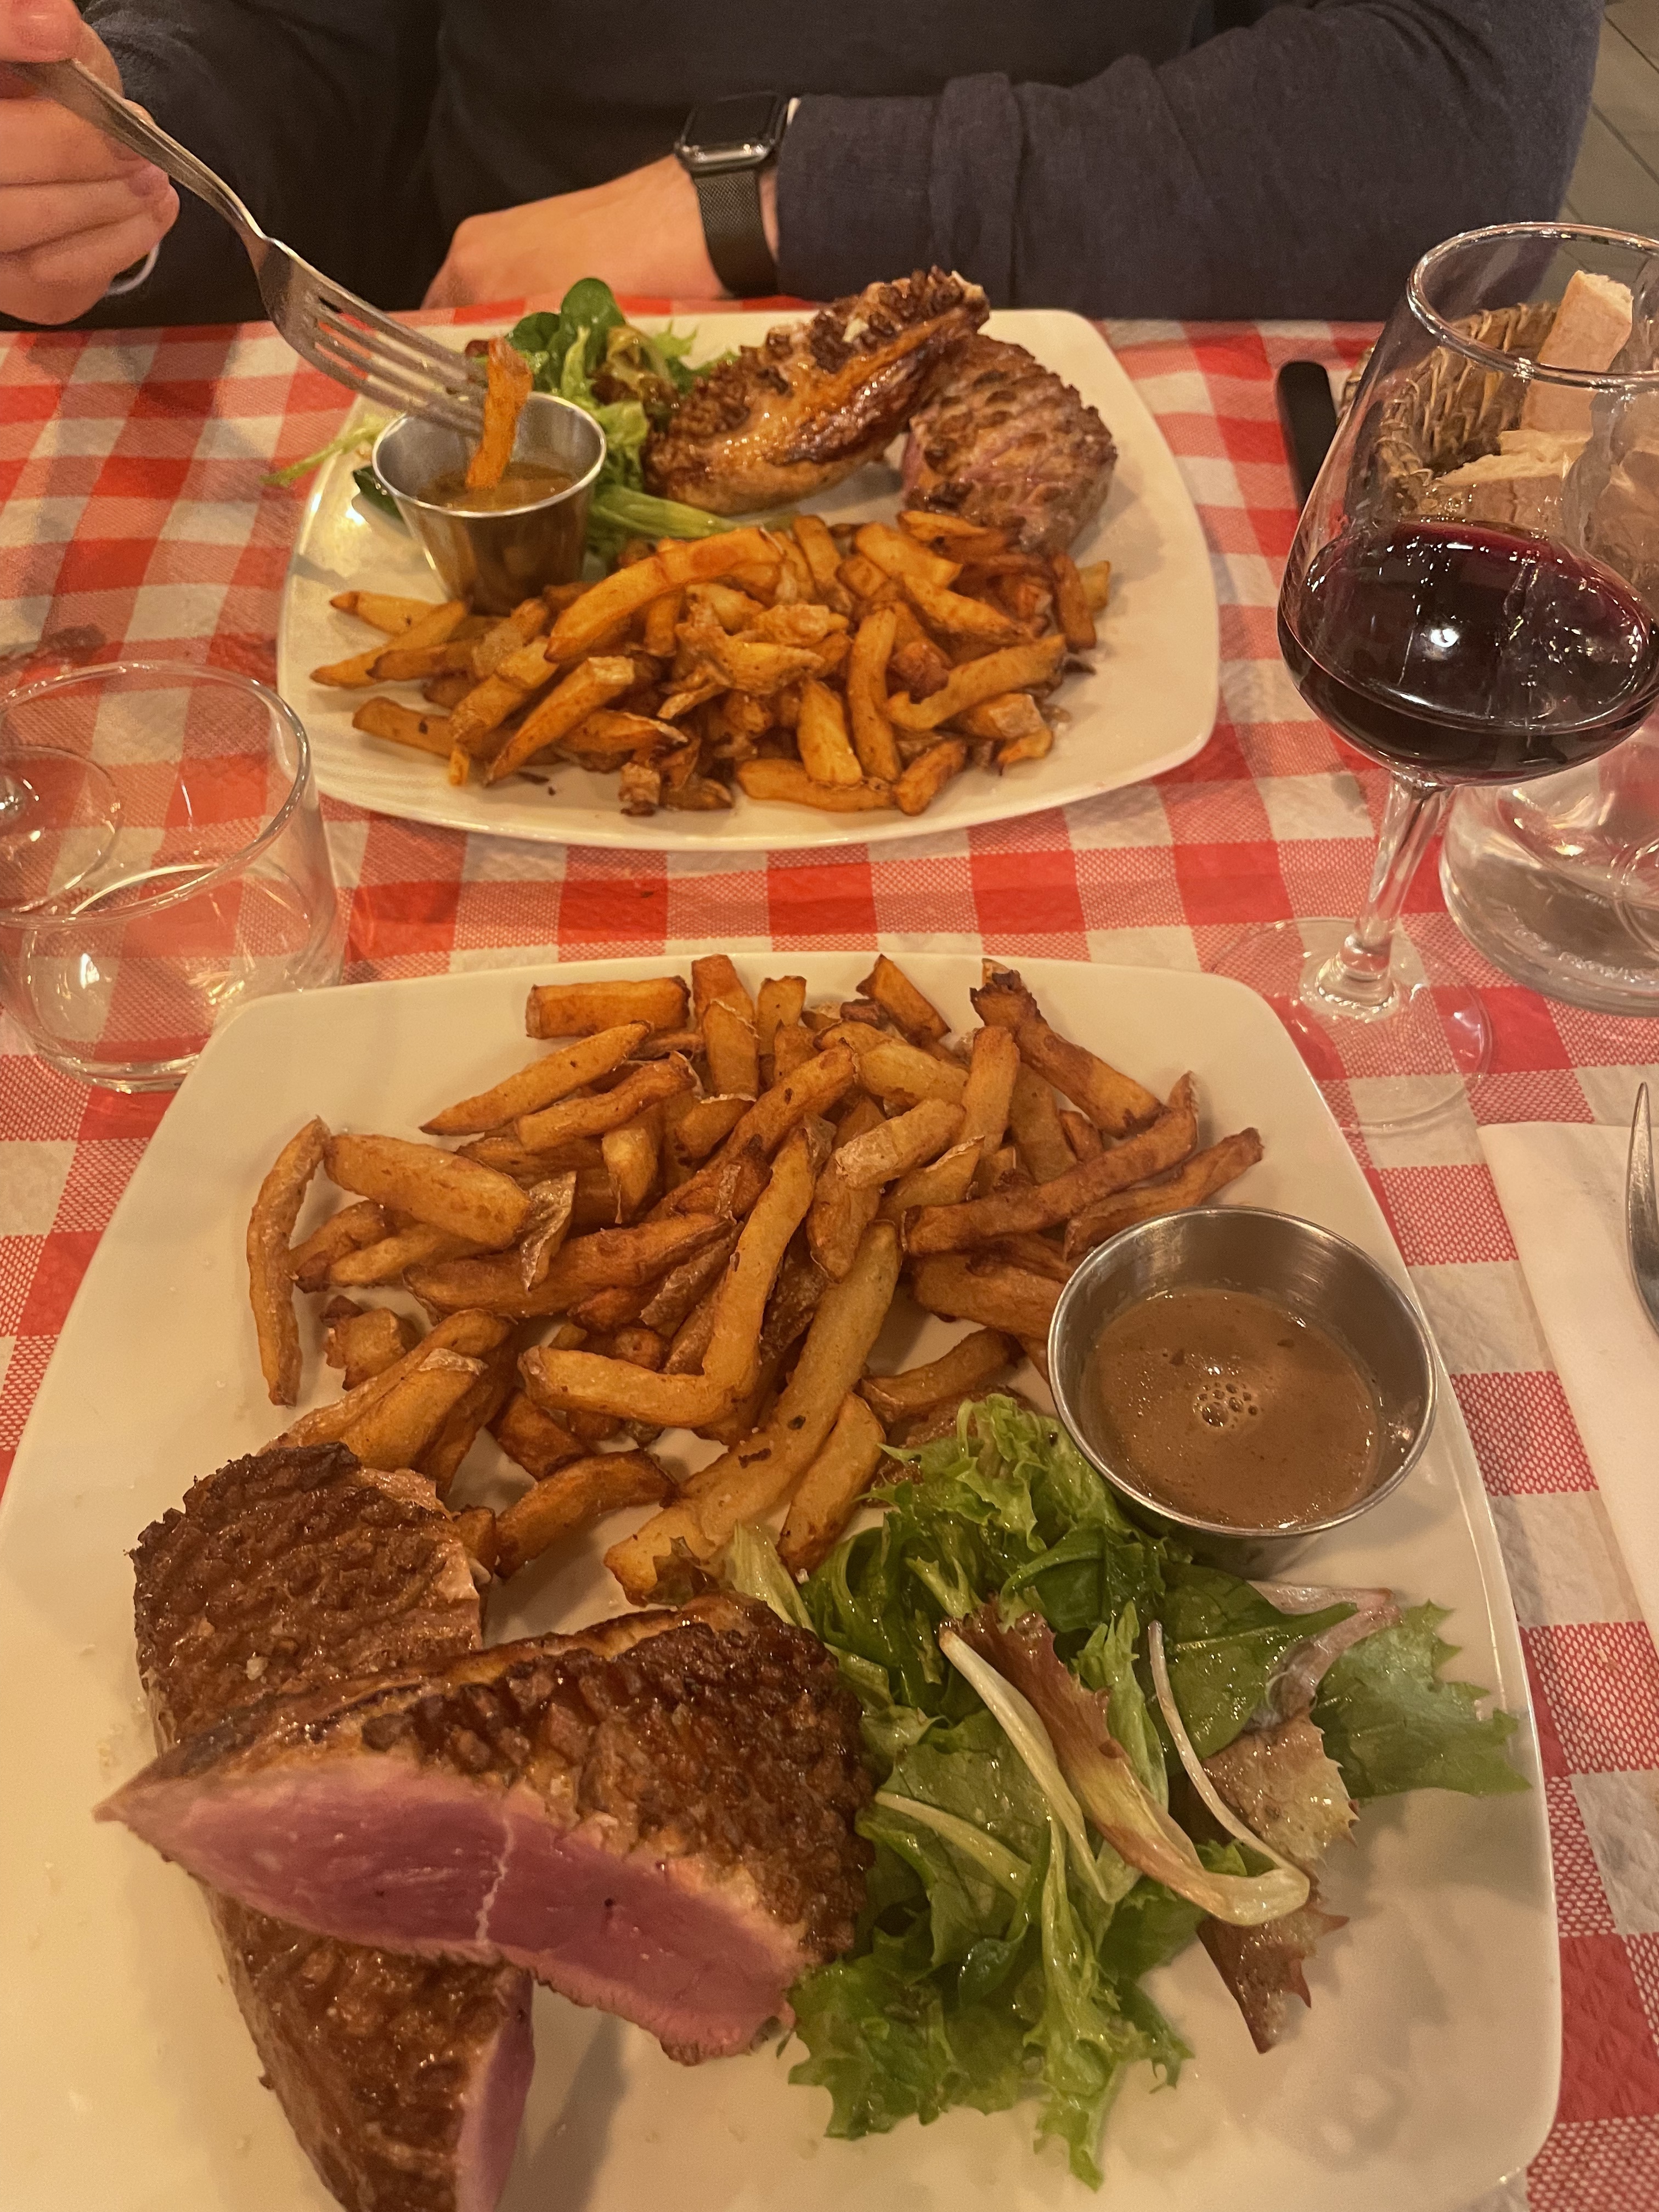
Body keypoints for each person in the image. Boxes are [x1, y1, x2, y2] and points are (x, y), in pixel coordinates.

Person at [0, 0, 1599, 334]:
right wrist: (123, 147)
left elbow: (1464, 109)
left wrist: (763, 196)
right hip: (496, 396)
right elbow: (311, 43)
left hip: (1106, 381)